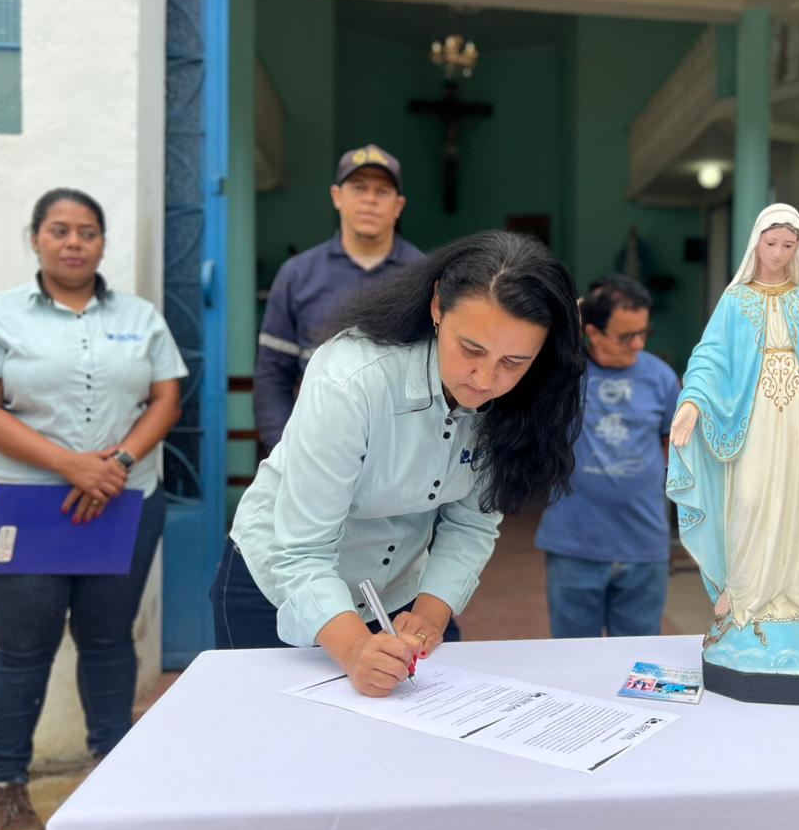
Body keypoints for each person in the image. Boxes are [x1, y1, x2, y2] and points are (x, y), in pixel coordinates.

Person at [212, 231, 585, 697]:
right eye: (471, 350)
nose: (486, 379)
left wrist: (431, 613)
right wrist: (354, 649)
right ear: (437, 306)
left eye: (514, 361)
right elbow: (301, 550)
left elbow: (472, 522)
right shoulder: (352, 379)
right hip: (278, 585)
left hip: (394, 593)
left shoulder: (522, 397)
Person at [0, 188, 186, 830]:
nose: (74, 242)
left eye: (87, 231)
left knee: (109, 640)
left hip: (123, 500)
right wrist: (72, 466)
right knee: (22, 648)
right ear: (35, 238)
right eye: (59, 230)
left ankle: (115, 770)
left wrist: (118, 463)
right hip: (23, 505)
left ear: (103, 243)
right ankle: (7, 785)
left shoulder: (140, 317)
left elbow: (166, 397)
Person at [666, 204, 799, 694]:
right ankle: (744, 601)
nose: (780, 253)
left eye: (789, 245)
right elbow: (711, 355)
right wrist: (693, 401)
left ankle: (790, 607)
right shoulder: (736, 298)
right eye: (772, 244)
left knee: (797, 506)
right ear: (756, 243)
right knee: (751, 499)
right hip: (754, 415)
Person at [254, 143, 424, 454]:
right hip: (315, 445)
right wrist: (285, 451)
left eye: (382, 191)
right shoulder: (297, 274)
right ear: (337, 197)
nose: (370, 199)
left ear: (398, 205)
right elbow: (271, 377)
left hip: (400, 452)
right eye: (358, 187)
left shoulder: (424, 276)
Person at [535, 275, 680, 638]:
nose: (639, 344)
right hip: (574, 545)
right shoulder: (563, 374)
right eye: (626, 336)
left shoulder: (661, 377)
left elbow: (672, 446)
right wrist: (570, 317)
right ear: (593, 333)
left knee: (638, 658)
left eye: (644, 333)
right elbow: (537, 342)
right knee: (573, 657)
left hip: (643, 544)